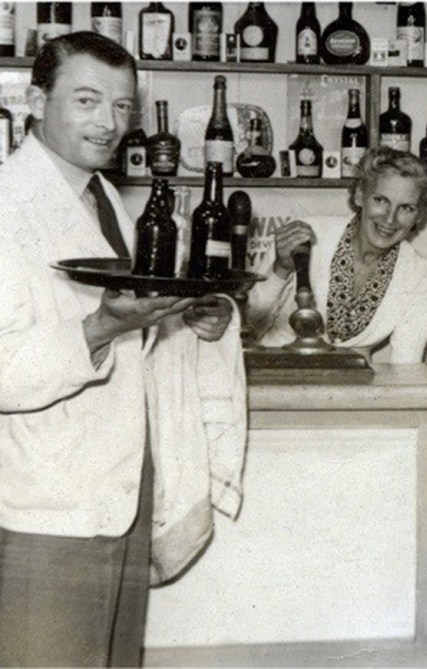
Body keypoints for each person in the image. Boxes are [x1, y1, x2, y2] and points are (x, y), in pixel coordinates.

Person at [0, 32, 243, 666]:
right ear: (35, 101)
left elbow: (130, 327)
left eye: (122, 106)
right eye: (87, 100)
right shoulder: (6, 204)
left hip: (121, 492)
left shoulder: (103, 196)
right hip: (44, 509)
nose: (109, 123)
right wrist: (101, 329)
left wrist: (191, 317)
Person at [247, 146, 427, 363]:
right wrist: (281, 269)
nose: (390, 219)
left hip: (354, 381)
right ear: (360, 195)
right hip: (273, 371)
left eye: (406, 208)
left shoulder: (419, 276)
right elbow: (248, 327)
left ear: (419, 216)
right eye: (380, 200)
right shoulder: (305, 237)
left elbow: (406, 367)